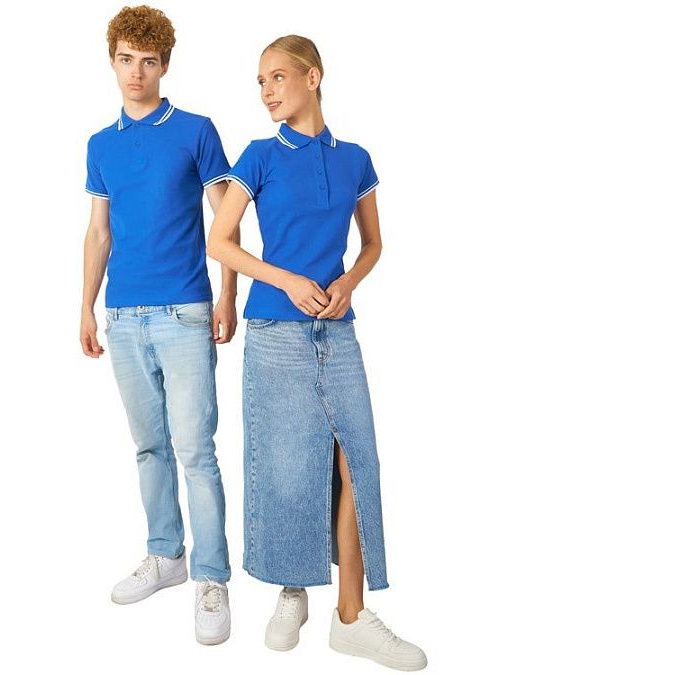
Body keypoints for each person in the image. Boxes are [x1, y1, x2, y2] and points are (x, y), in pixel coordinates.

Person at [206, 35, 428, 669]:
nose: (267, 91)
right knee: (288, 467)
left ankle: (351, 617)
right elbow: (220, 241)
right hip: (274, 334)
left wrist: (347, 283)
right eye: (260, 82)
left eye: (277, 77)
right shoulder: (259, 156)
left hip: (339, 332)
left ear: (313, 77)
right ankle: (291, 591)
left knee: (357, 462)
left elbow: (373, 243)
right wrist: (287, 281)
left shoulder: (355, 159)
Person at [79, 5, 238, 646]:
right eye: (126, 60)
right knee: (149, 447)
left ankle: (211, 578)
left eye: (148, 62)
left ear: (164, 65)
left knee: (196, 450)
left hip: (185, 312)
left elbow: (225, 219)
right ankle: (166, 553)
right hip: (122, 315)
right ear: (112, 62)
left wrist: (228, 295)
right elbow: (98, 232)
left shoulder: (196, 131)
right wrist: (85, 307)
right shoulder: (101, 144)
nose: (136, 73)